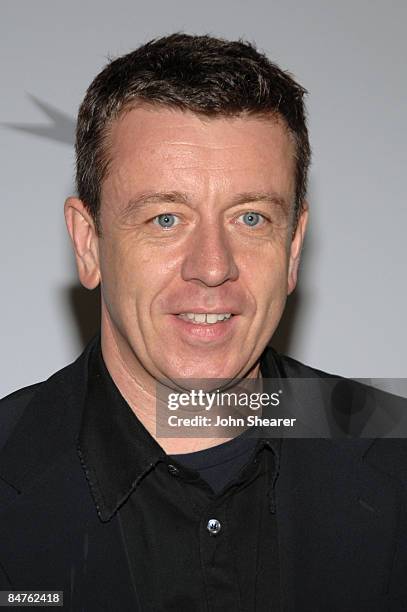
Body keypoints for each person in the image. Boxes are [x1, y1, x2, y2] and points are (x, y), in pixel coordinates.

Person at [0, 33, 406, 612]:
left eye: (250, 217)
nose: (213, 267)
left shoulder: (393, 445)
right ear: (89, 245)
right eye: (166, 218)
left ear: (293, 249)